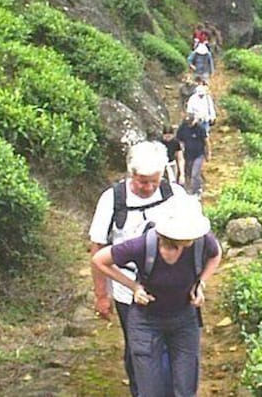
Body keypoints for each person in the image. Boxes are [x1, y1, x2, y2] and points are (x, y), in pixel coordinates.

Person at [91, 197, 222, 397]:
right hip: (146, 321)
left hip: (184, 318)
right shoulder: (143, 246)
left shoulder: (202, 242)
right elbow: (100, 260)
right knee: (150, 388)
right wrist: (134, 287)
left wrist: (201, 283)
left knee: (186, 386)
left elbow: (216, 254)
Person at [88, 141, 188, 396]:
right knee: (140, 349)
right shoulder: (113, 199)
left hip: (171, 287)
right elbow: (97, 247)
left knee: (170, 345)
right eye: (143, 182)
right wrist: (102, 295)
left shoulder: (173, 194)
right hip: (127, 290)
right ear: (131, 174)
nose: (149, 187)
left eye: (154, 181)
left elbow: (194, 236)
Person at [176, 112, 210, 197]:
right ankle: (190, 188)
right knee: (189, 172)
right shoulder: (183, 127)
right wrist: (181, 148)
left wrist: (208, 153)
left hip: (199, 154)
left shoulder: (200, 128)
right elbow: (179, 139)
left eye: (191, 123)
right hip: (187, 154)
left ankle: (197, 190)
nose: (189, 125)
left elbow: (206, 141)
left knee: (195, 173)